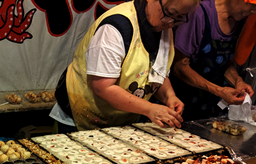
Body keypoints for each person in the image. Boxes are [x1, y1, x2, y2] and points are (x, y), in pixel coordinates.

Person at [50, 0, 200, 133]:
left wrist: (169, 96)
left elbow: (157, 72)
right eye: (170, 13)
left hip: (122, 121)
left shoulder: (165, 28)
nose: (171, 23)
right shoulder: (115, 28)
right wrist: (150, 109)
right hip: (80, 118)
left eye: (180, 18)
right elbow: (103, 87)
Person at [170, 0, 256, 121]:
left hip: (207, 109)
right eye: (252, 5)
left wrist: (238, 81)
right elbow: (179, 67)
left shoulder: (241, 19)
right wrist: (219, 91)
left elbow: (224, 64)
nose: (254, 11)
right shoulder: (199, 13)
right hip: (179, 105)